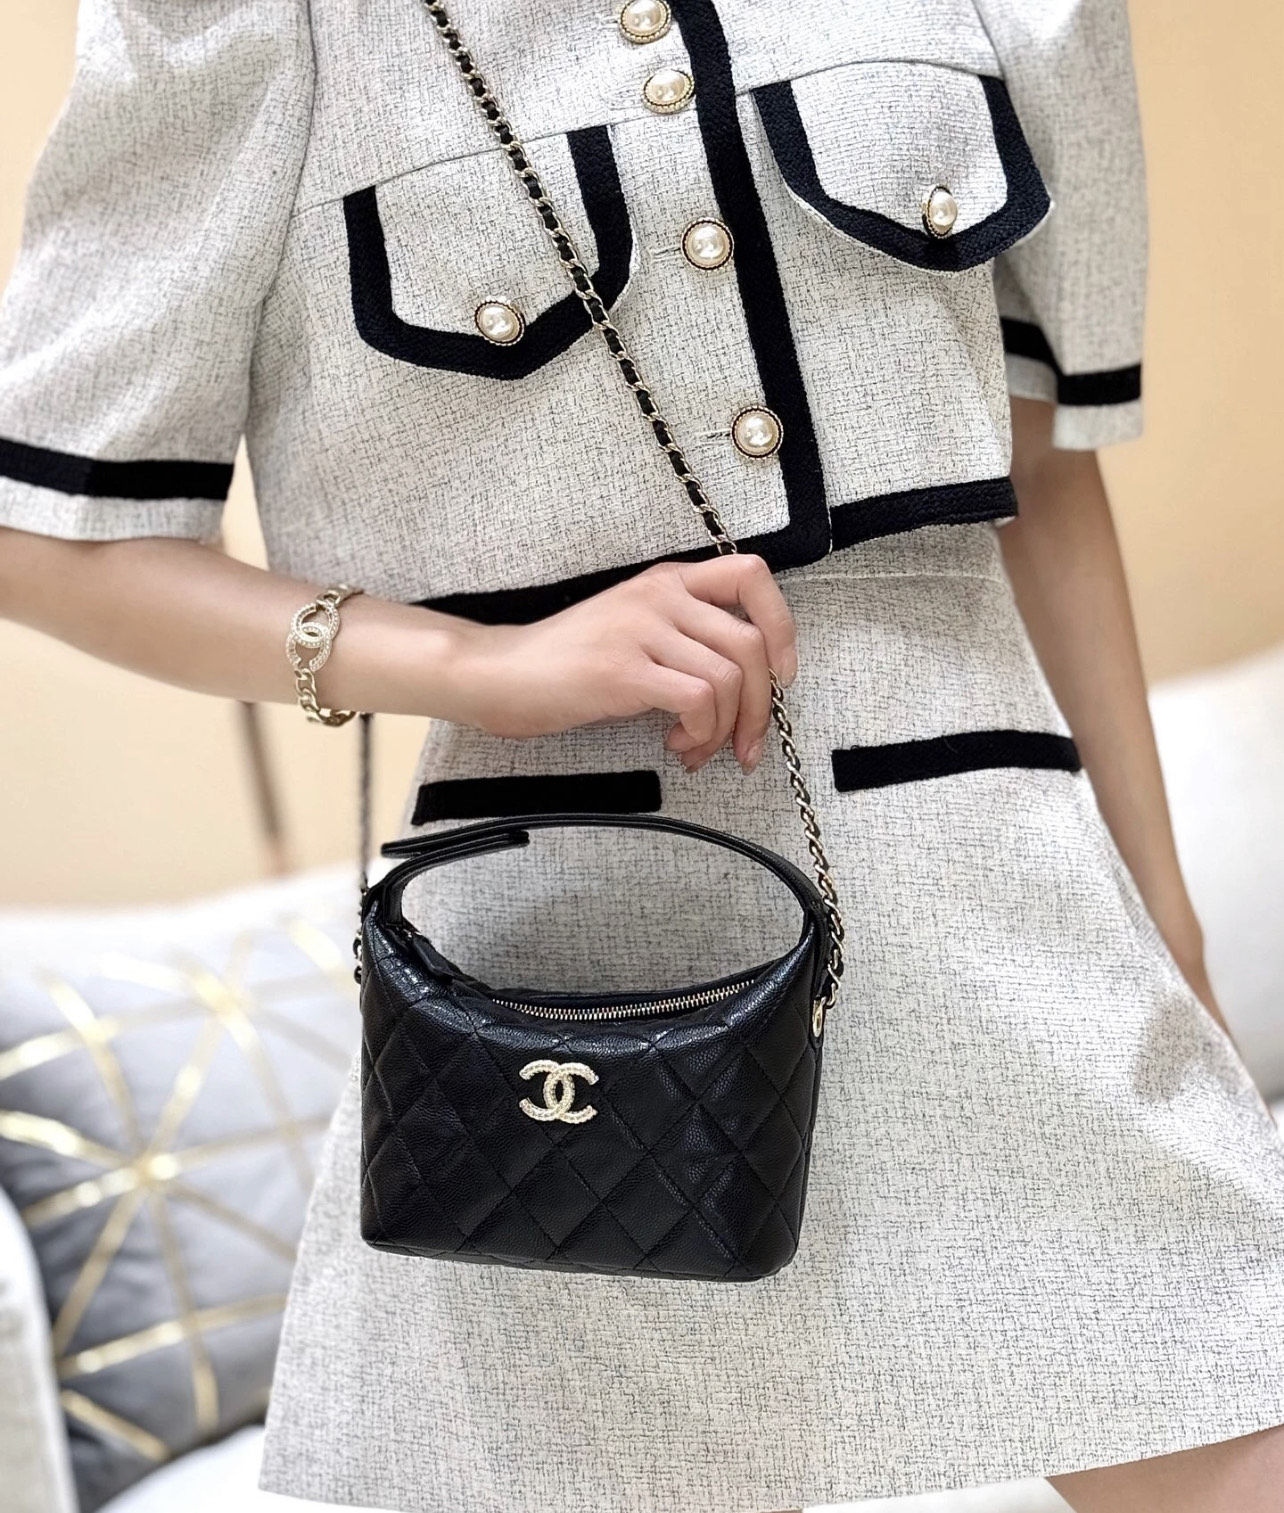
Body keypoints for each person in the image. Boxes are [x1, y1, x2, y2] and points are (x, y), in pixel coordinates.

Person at [2, 1, 1283, 1510]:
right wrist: (481, 665)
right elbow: (50, 535)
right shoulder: (262, 20)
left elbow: (1046, 477)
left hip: (1002, 895)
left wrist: (1169, 937)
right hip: (573, 986)